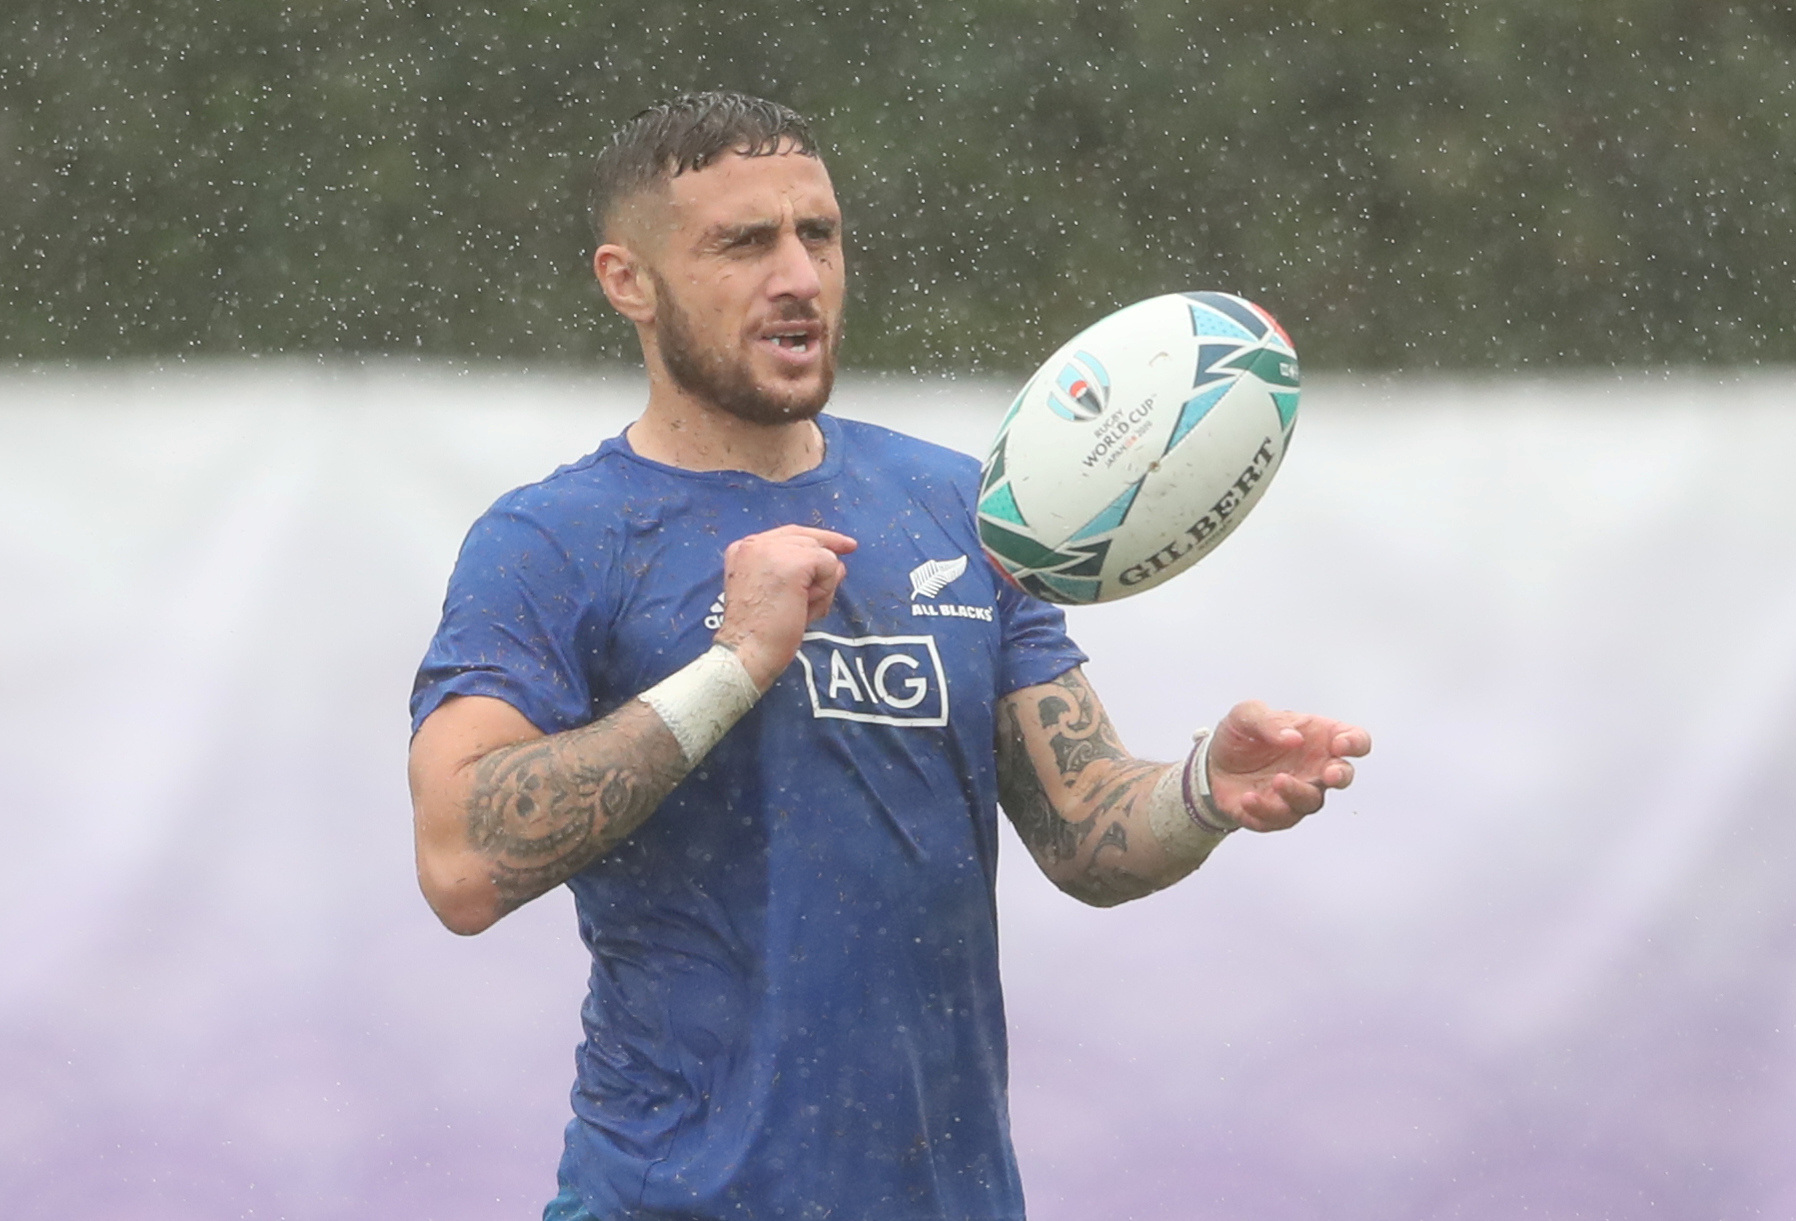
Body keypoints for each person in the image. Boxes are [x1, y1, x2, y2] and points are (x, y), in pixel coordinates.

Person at [408, 91, 1370, 1221]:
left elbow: (1082, 828)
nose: (799, 278)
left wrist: (1205, 788)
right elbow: (461, 863)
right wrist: (735, 664)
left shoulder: (961, 509)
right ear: (628, 280)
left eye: (817, 234)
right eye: (742, 242)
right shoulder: (555, 539)